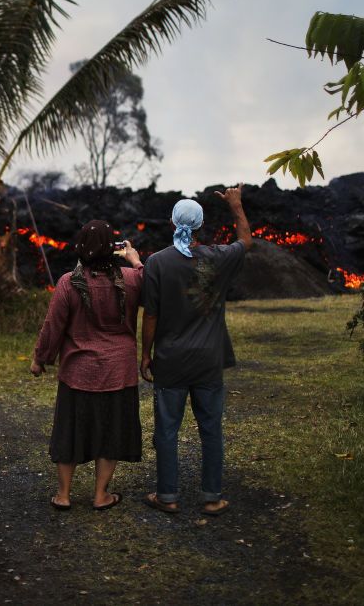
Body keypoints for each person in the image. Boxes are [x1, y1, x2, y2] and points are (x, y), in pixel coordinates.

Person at [140, 185, 253, 516]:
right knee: (211, 430)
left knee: (167, 430)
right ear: (200, 226)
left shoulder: (157, 263)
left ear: (173, 223)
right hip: (208, 361)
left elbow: (151, 314)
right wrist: (236, 205)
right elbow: (246, 242)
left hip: (171, 360)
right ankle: (212, 497)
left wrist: (146, 355)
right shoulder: (218, 257)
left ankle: (168, 496)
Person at [30, 220, 145, 511]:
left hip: (77, 374)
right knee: (111, 434)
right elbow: (153, 287)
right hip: (119, 372)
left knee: (70, 432)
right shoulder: (133, 279)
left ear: (80, 247)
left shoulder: (69, 282)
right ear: (112, 249)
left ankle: (64, 495)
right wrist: (136, 260)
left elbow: (53, 326)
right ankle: (100, 495)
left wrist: (40, 359)